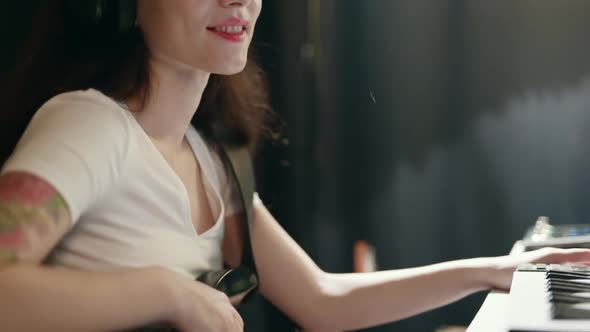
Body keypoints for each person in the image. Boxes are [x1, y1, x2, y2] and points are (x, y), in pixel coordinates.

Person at [1, 0, 590, 331]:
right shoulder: (89, 125)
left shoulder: (211, 158)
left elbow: (322, 298)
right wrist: (169, 293)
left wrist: (494, 271)